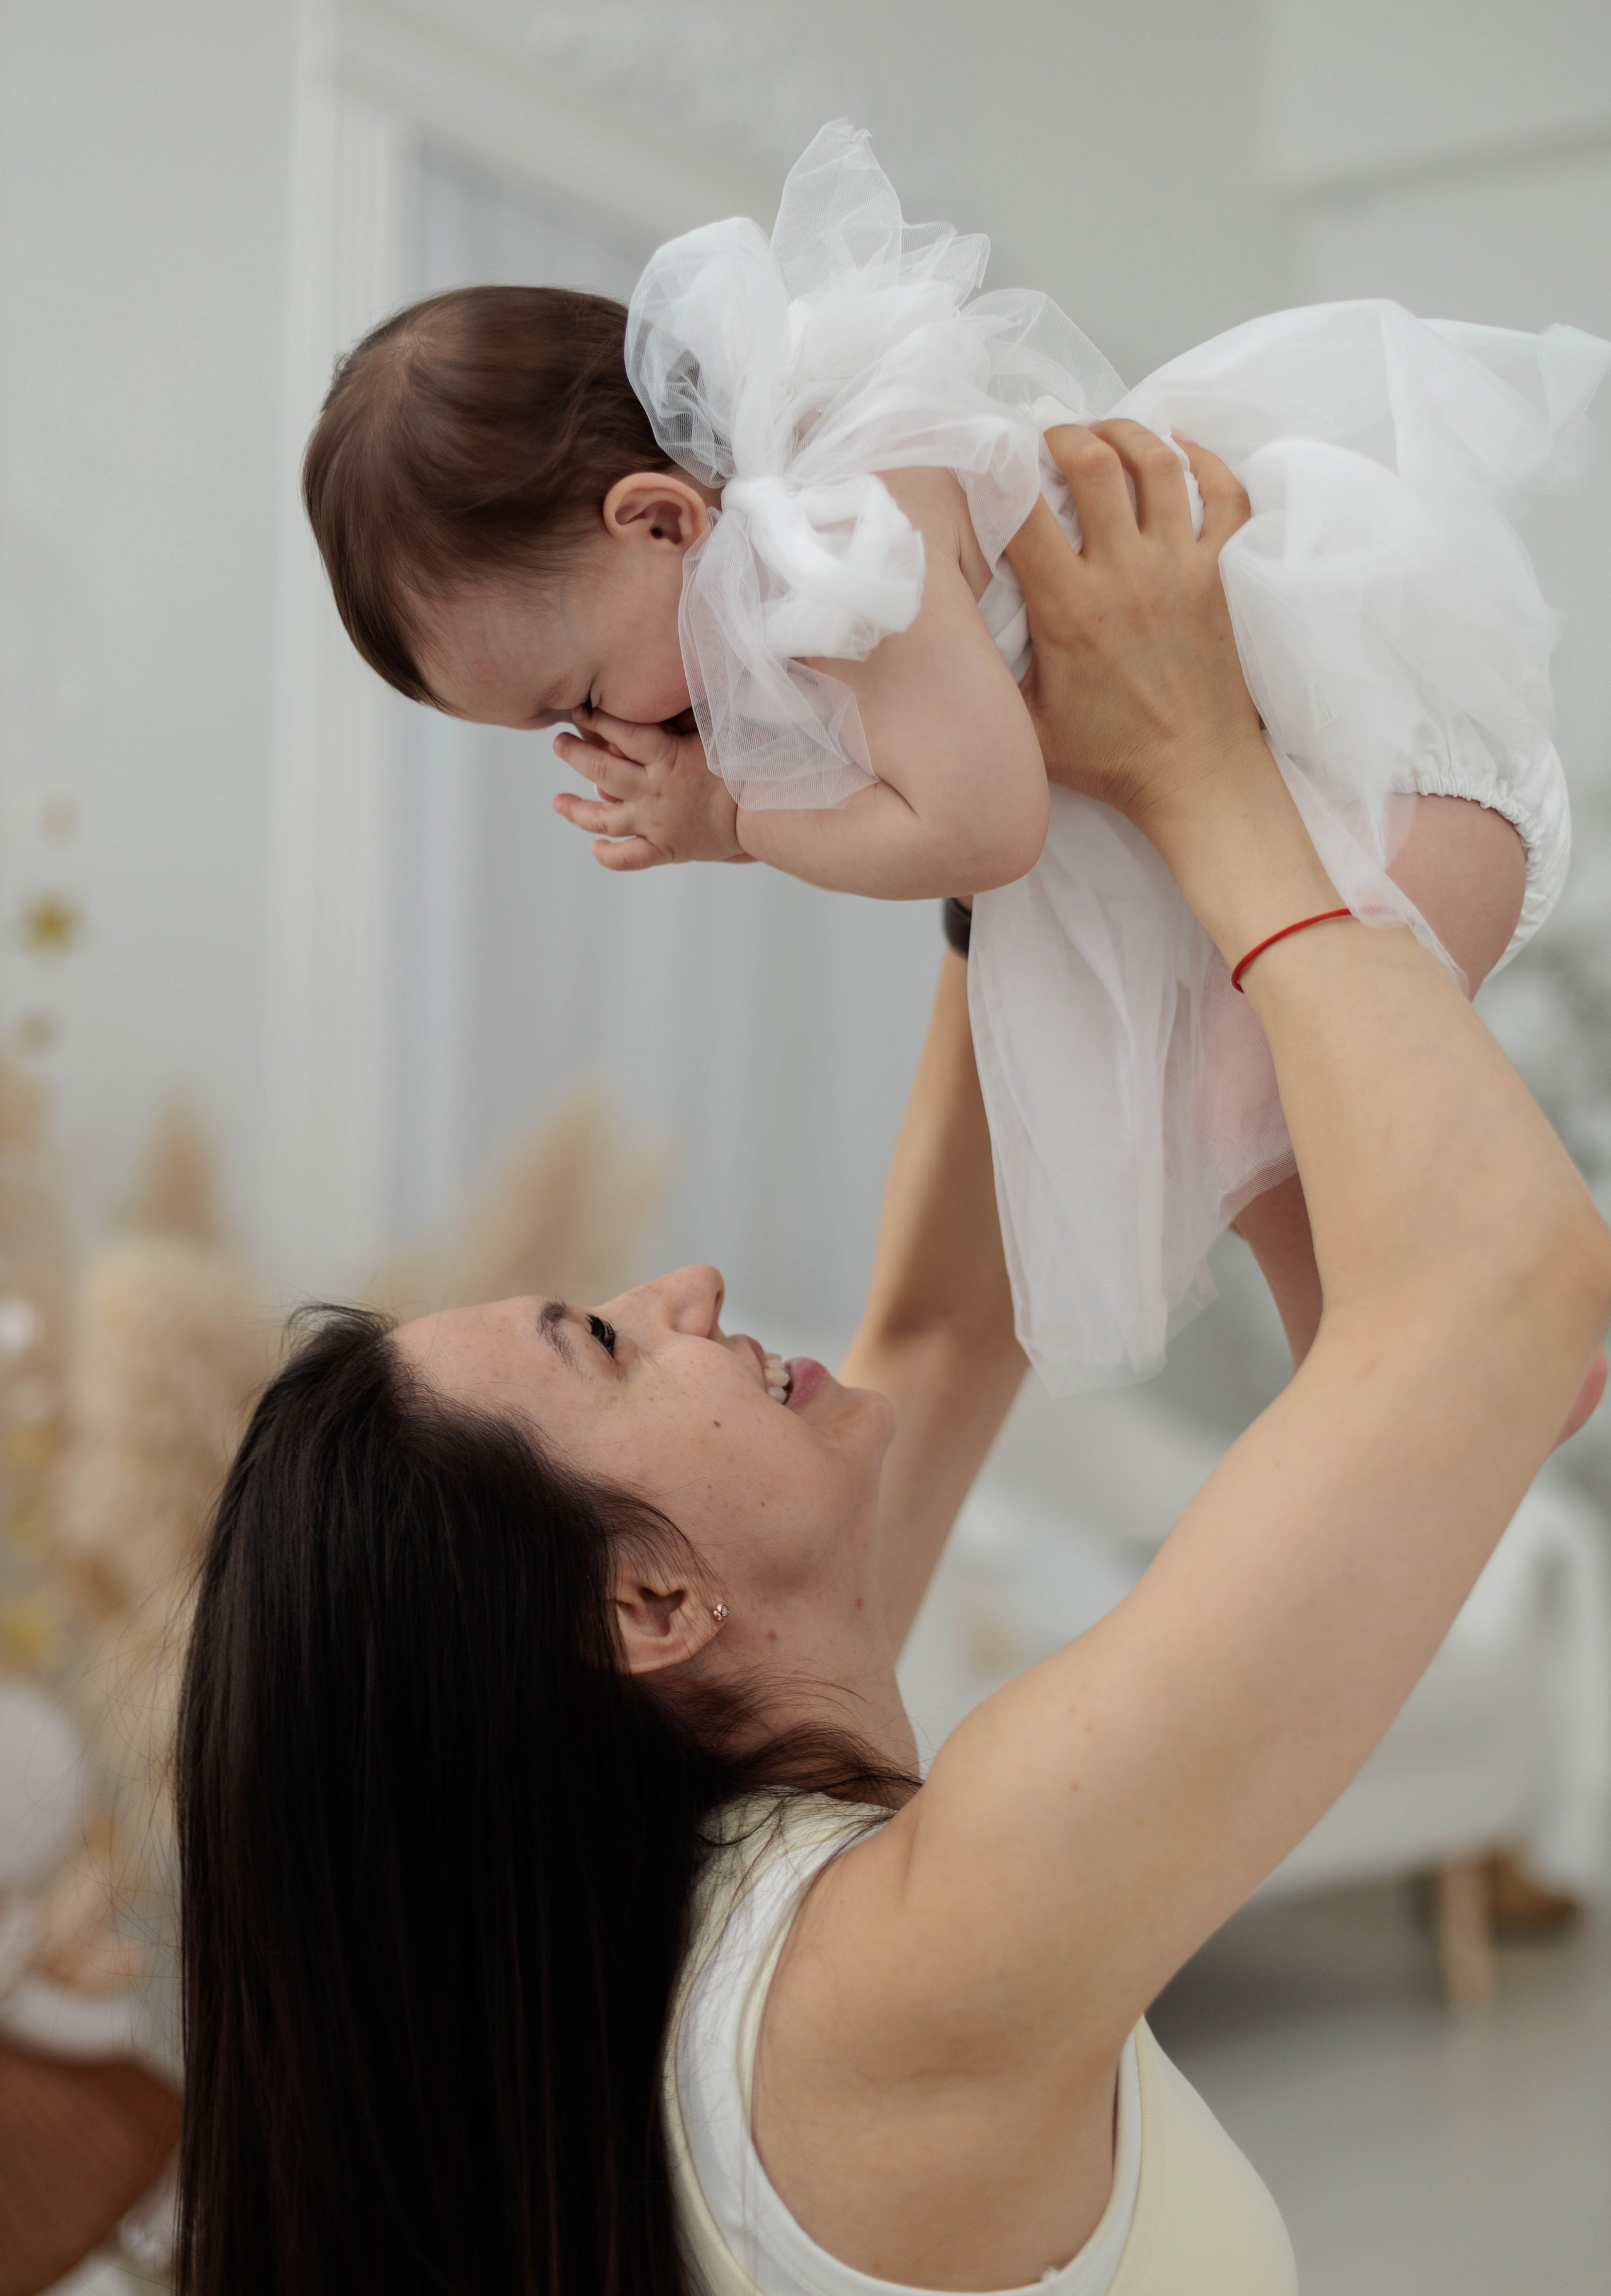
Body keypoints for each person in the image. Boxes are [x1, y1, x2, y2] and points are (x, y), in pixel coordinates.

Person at [177, 422, 1611, 2296]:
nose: (685, 1287)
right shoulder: (897, 1982)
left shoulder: (654, 1962)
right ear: (648, 1604)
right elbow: (1504, 1301)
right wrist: (1200, 772)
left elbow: (943, 1325)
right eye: (601, 1341)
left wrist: (999, 774)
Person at [300, 121, 1611, 1408]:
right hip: (1291, 804)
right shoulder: (777, 542)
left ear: (656, 519)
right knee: (1245, 1136)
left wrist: (732, 820)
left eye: (583, 695)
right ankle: (1428, 1371)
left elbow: (984, 829)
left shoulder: (831, 543)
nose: (610, 737)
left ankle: (1469, 1341)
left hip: (1374, 775)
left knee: (1261, 1114)